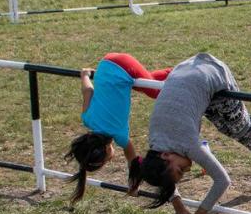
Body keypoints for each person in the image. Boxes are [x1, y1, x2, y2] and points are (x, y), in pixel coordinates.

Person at [133, 53, 251, 214]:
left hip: (212, 73)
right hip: (189, 73)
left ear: (165, 155)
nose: (186, 170)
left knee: (242, 126)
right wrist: (179, 208)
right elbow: (167, 179)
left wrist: (201, 213)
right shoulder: (157, 143)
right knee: (227, 127)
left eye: (179, 170)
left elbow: (222, 180)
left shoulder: (185, 142)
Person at [65, 52, 173, 204]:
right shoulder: (87, 119)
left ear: (106, 151)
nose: (110, 160)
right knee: (143, 84)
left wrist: (133, 185)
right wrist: (84, 75)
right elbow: (88, 90)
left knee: (155, 91)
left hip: (123, 66)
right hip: (106, 64)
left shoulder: (119, 134)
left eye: (106, 161)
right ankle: (173, 72)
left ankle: (176, 73)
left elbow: (133, 161)